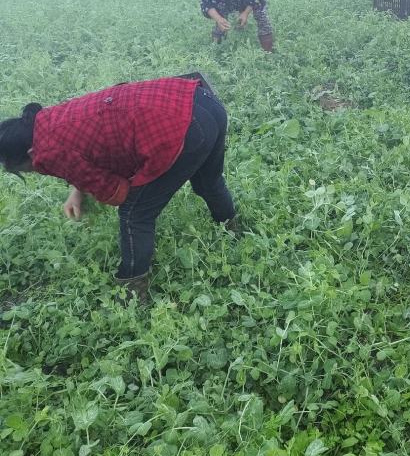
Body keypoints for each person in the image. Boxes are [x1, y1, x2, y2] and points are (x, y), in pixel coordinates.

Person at [0, 75, 236, 302]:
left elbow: (116, 191)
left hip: (181, 127)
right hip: (203, 101)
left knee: (135, 215)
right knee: (209, 182)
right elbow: (84, 150)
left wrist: (106, 191)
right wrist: (77, 190)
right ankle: (233, 230)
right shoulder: (47, 119)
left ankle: (132, 293)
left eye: (28, 168)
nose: (36, 169)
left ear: (31, 154)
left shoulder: (45, 153)